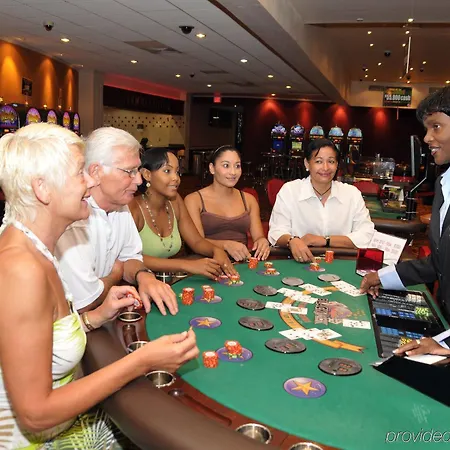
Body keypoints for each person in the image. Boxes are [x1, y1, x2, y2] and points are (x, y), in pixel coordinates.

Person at [0, 123, 199, 449]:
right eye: (80, 173)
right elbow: (35, 414)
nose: (91, 181)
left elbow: (42, 338)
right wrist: (143, 360)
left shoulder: (36, 247)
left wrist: (95, 317)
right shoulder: (21, 268)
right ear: (43, 189)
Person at [360, 86, 450, 356]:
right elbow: (438, 263)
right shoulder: (444, 184)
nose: (427, 138)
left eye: (436, 126)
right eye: (427, 128)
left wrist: (446, 345)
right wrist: (382, 277)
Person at [55, 127, 177, 316]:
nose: (139, 180)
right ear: (96, 172)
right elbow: (84, 304)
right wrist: (115, 274)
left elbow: (130, 257)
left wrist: (143, 275)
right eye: (130, 171)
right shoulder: (73, 213)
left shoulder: (120, 203)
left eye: (137, 170)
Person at [129, 148, 236, 279]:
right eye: (167, 171)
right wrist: (185, 265)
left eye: (177, 172)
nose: (176, 178)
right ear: (147, 174)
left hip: (168, 280)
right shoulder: (132, 207)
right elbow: (129, 258)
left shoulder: (175, 201)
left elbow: (196, 241)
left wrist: (216, 250)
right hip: (137, 282)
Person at [268, 138, 375, 262]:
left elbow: (366, 234)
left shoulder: (351, 194)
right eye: (319, 161)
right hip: (300, 262)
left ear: (337, 165)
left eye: (331, 161)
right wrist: (292, 240)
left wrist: (325, 240)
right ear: (307, 164)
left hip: (340, 262)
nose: (325, 167)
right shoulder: (290, 191)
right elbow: (276, 231)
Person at [185, 145, 270, 262]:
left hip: (241, 263)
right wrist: (225, 245)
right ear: (212, 168)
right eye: (226, 165)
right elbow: (196, 242)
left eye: (237, 166)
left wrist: (262, 241)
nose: (233, 172)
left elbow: (258, 236)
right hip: (207, 264)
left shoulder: (249, 200)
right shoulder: (194, 200)